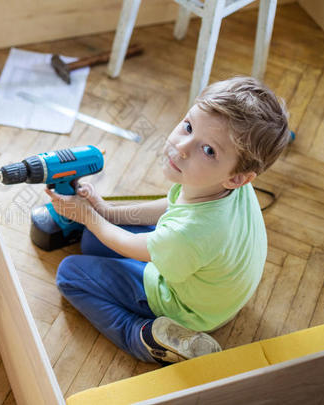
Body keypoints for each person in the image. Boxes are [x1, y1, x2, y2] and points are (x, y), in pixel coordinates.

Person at [45, 76, 291, 364]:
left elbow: (135, 244)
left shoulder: (191, 233)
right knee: (92, 240)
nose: (182, 146)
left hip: (190, 309)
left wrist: (87, 215)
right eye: (188, 126)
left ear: (238, 177)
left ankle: (143, 336)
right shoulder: (220, 184)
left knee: (70, 274)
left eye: (209, 150)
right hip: (216, 292)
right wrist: (107, 212)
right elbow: (173, 206)